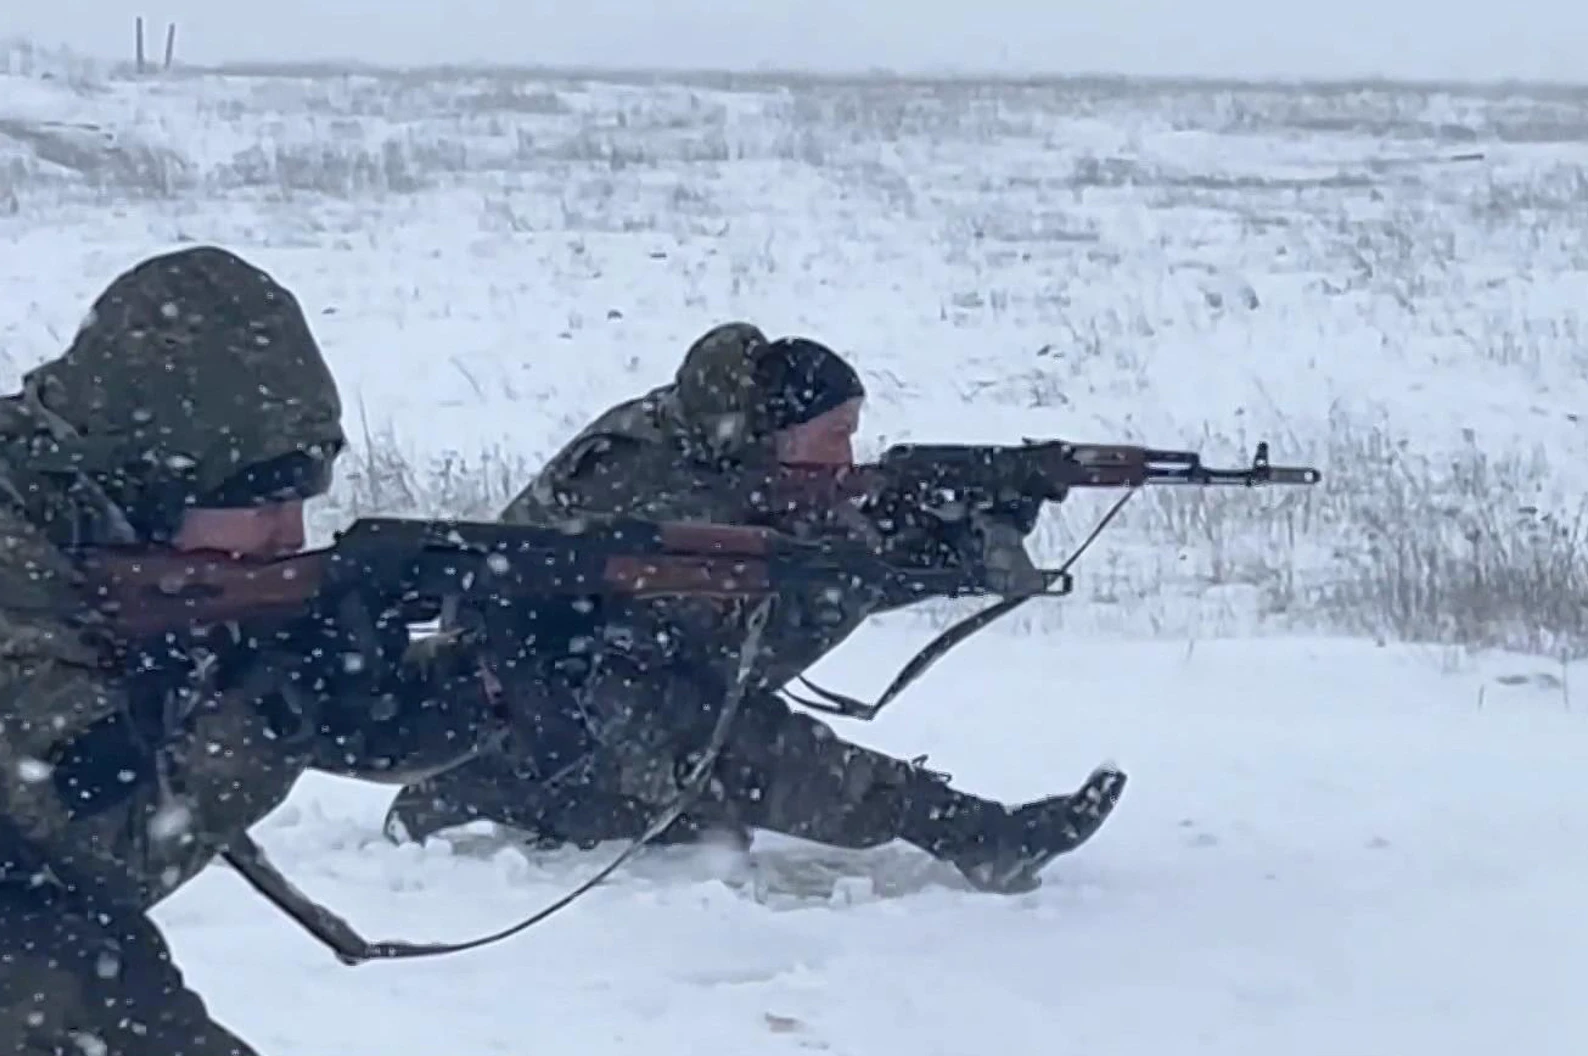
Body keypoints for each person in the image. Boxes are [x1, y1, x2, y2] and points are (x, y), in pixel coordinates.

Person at [0, 246, 507, 1056]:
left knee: (89, 968)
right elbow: (122, 837)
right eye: (258, 496)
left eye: (303, 495)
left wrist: (498, 675)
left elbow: (357, 724)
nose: (288, 532)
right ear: (159, 471)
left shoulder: (118, 531)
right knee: (57, 983)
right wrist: (283, 699)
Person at [384, 322, 1127, 895]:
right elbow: (742, 619)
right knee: (729, 746)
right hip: (534, 691)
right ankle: (969, 833)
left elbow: (826, 565)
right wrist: (893, 554)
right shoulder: (649, 478)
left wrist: (968, 531)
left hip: (608, 667)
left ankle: (576, 796)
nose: (847, 457)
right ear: (774, 435)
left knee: (704, 815)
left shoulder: (725, 457)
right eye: (834, 436)